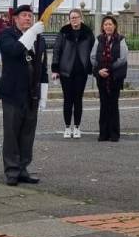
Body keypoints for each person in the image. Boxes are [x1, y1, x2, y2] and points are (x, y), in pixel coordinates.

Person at [0, 4, 48, 186]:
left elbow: (42, 67)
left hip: (31, 94)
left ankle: (23, 168)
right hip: (12, 93)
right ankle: (12, 170)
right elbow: (14, 51)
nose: (28, 18)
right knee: (11, 133)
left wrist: (44, 95)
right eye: (24, 15)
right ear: (15, 19)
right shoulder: (7, 34)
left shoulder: (38, 39)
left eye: (30, 16)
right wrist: (32, 32)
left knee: (27, 135)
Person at [51, 9, 94, 138]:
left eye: (76, 17)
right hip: (66, 71)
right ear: (69, 19)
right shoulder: (64, 32)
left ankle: (77, 127)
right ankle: (67, 127)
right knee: (67, 99)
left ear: (81, 18)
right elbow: (57, 50)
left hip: (81, 71)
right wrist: (55, 69)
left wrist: (92, 66)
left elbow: (93, 51)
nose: (74, 20)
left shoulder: (87, 32)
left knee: (78, 99)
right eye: (72, 18)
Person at [92, 13, 129, 142]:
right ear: (103, 26)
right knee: (103, 105)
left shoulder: (121, 39)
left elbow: (123, 58)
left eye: (110, 24)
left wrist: (109, 68)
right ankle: (103, 134)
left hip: (115, 78)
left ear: (115, 26)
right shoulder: (99, 39)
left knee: (113, 105)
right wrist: (99, 70)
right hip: (102, 78)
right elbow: (93, 58)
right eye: (106, 24)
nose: (108, 26)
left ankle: (114, 134)